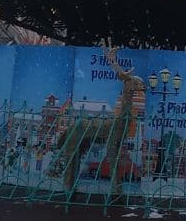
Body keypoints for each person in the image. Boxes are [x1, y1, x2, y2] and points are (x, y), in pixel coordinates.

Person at [62, 45, 146, 196]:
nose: (139, 86)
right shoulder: (117, 118)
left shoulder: (123, 119)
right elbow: (112, 152)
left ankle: (115, 188)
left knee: (114, 155)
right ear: (129, 86)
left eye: (138, 84)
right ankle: (70, 187)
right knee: (74, 157)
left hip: (106, 125)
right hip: (85, 129)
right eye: (136, 84)